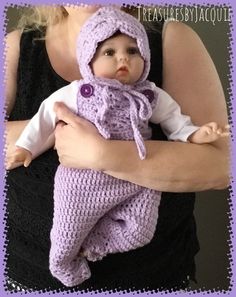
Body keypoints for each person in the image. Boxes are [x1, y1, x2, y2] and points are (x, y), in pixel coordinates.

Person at [5, 4, 229, 292]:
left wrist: (101, 154)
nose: (122, 58)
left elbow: (221, 165)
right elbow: (47, 116)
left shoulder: (170, 43)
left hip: (150, 277)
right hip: (28, 275)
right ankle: (64, 260)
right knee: (67, 229)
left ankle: (96, 243)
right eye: (109, 52)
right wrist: (51, 129)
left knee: (139, 226)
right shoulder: (17, 47)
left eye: (131, 51)